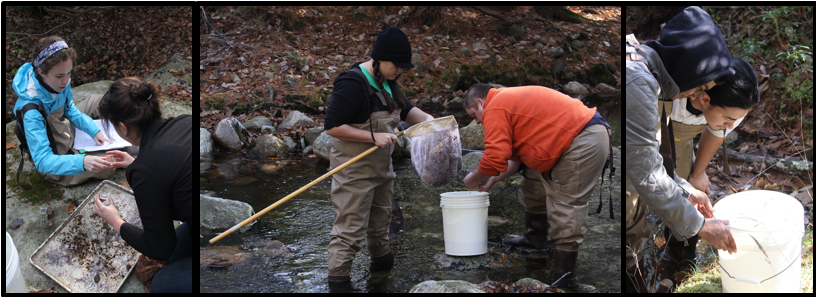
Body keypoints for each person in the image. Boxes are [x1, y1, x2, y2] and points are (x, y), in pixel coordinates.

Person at [625, 6, 742, 292]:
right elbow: (646, 174)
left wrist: (687, 190)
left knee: (634, 234)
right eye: (700, 86)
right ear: (690, 66)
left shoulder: (652, 76)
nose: (699, 95)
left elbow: (650, 161)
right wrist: (701, 225)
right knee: (628, 235)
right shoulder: (640, 82)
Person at [461, 83, 611, 284]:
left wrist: (473, 178)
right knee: (532, 183)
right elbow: (515, 160)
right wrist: (493, 177)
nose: (478, 123)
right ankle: (535, 239)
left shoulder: (496, 105)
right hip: (572, 136)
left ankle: (563, 276)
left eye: (474, 116)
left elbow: (495, 156)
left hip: (583, 139)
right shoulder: (509, 102)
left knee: (566, 205)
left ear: (480, 102)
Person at [323, 26, 433, 292]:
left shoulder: (387, 82)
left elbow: (407, 110)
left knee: (381, 221)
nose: (400, 70)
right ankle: (338, 281)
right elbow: (332, 126)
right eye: (397, 65)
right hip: (353, 170)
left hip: (383, 170)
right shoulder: (352, 84)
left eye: (404, 66)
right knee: (350, 227)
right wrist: (374, 138)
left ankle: (382, 272)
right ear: (379, 59)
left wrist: (430, 121)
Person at [656, 57, 759, 290]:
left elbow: (716, 129)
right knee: (637, 206)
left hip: (680, 146)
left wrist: (698, 174)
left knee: (689, 197)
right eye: (729, 119)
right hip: (646, 140)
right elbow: (645, 166)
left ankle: (678, 261)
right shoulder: (674, 92)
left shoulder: (735, 104)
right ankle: (635, 270)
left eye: (737, 119)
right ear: (703, 98)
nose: (732, 126)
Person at [93, 77, 192, 293]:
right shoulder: (184, 121)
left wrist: (116, 221)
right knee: (175, 256)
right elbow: (171, 171)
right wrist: (137, 163)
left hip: (215, 228)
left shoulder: (146, 170)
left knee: (162, 283)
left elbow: (160, 248)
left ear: (122, 127)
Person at [11, 35, 114, 187]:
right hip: (54, 148)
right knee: (106, 166)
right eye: (59, 75)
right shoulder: (31, 112)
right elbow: (43, 161)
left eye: (69, 73)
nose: (66, 81)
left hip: (62, 124)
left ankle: (129, 127)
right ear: (41, 72)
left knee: (97, 101)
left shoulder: (61, 83)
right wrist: (82, 162)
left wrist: (93, 131)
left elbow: (70, 109)